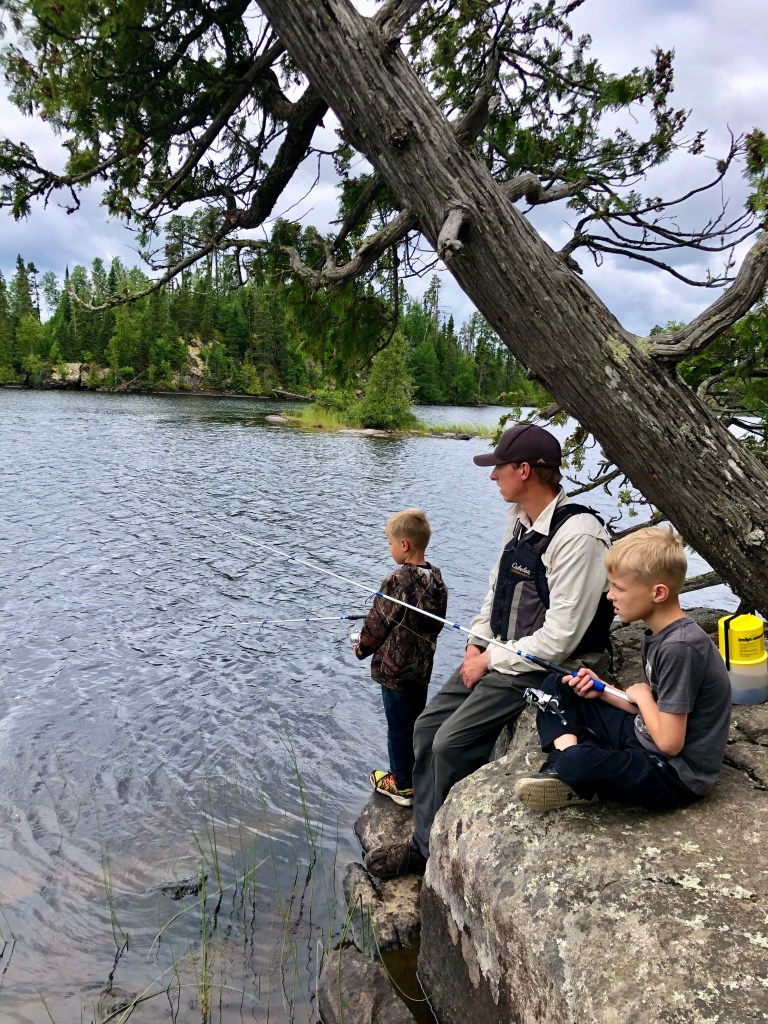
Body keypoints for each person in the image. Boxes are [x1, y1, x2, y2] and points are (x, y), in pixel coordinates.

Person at [364, 423, 613, 878]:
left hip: (543, 666)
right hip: (499, 653)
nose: (493, 476)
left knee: (449, 744)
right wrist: (475, 643)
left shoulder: (579, 535)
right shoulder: (518, 522)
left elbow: (562, 637)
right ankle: (427, 832)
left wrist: (489, 660)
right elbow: (495, 594)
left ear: (525, 470)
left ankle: (428, 851)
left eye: (500, 467)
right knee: (424, 729)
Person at [514, 526, 732, 812]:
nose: (610, 595)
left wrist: (642, 696)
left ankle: (568, 765)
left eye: (620, 588)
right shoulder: (660, 633)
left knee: (579, 763)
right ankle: (570, 765)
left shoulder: (681, 647)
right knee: (558, 685)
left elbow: (669, 743)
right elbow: (648, 708)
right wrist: (603, 691)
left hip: (672, 772)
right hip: (644, 734)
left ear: (658, 593)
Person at [354, 508, 448, 807]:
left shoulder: (396, 581)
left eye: (390, 543)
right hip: (422, 668)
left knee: (397, 726)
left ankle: (402, 785)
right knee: (415, 722)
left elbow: (376, 625)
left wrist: (360, 647)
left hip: (395, 672)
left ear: (404, 544)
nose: (389, 548)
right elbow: (435, 624)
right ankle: (415, 773)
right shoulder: (436, 578)